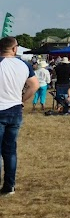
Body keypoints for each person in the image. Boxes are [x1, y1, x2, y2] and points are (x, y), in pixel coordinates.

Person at [0, 36, 40, 195]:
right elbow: (34, 85)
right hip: (15, 109)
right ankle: (10, 185)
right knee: (10, 150)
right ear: (14, 48)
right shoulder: (24, 64)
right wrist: (21, 100)